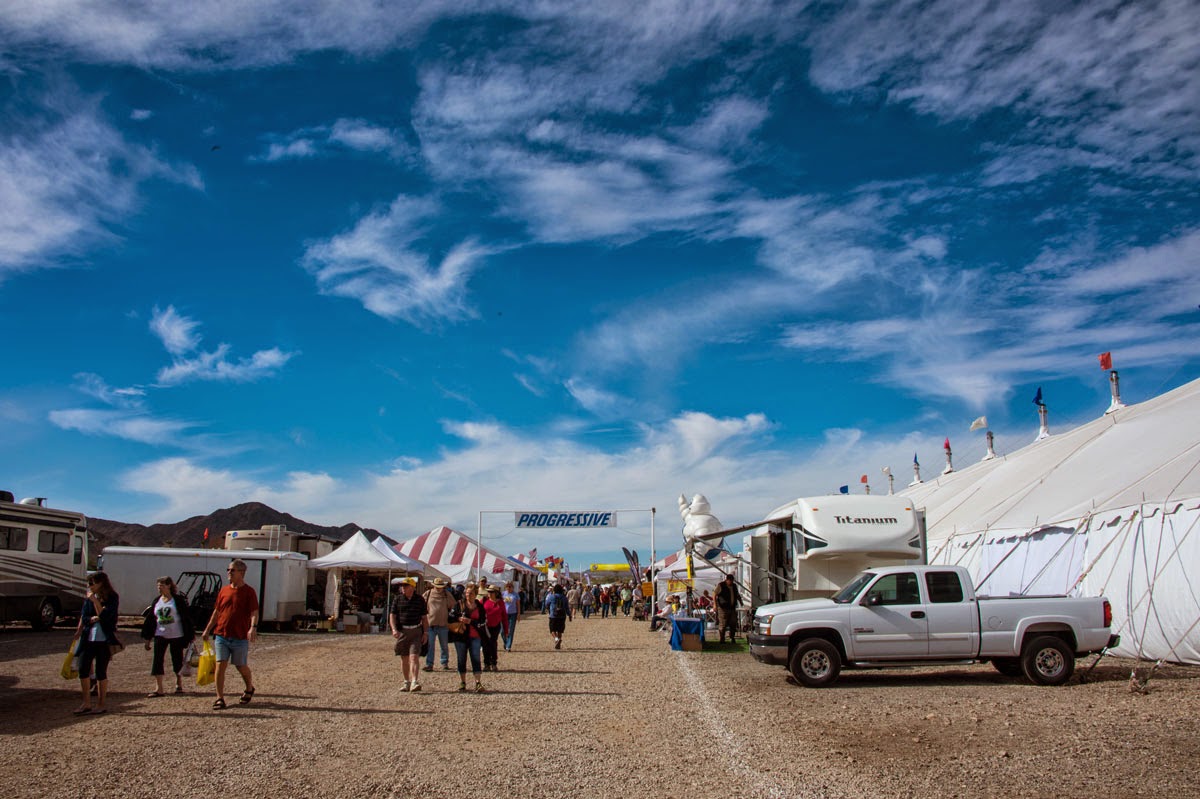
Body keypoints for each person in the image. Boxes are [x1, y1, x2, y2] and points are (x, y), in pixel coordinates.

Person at [201, 559, 259, 710]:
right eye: (228, 570)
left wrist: (252, 627)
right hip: (221, 634)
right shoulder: (224, 590)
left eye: (232, 570)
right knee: (220, 664)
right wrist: (207, 629)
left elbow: (254, 611)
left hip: (239, 636)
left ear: (241, 573)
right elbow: (217, 612)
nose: (229, 572)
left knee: (241, 666)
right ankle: (219, 698)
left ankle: (249, 687)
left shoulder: (249, 591)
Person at [72, 571, 120, 715]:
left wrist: (96, 602)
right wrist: (84, 625)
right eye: (89, 583)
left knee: (101, 671)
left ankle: (101, 703)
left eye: (92, 583)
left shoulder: (112, 597)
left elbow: (106, 617)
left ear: (101, 583)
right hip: (88, 638)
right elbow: (84, 615)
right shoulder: (88, 598)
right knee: (83, 668)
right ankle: (86, 703)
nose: (90, 586)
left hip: (104, 639)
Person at [144, 576, 195, 696]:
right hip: (160, 633)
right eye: (158, 585)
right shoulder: (157, 601)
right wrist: (147, 638)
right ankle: (159, 688)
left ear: (169, 586)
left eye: (162, 585)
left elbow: (186, 618)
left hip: (176, 634)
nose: (159, 588)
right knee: (157, 660)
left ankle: (179, 683)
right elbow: (151, 619)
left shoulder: (177, 600)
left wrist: (190, 635)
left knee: (177, 659)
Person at [389, 577, 429, 692]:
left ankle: (415, 681)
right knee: (404, 657)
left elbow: (424, 618)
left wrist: (425, 632)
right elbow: (392, 615)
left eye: (405, 586)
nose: (403, 588)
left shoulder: (420, 600)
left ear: (412, 587)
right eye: (402, 586)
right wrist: (394, 629)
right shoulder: (398, 599)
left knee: (414, 656)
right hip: (403, 631)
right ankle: (406, 681)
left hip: (416, 631)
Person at [450, 585, 487, 692]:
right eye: (466, 592)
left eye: (470, 593)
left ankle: (478, 682)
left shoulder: (479, 606)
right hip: (460, 636)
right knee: (461, 659)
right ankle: (462, 681)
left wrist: (471, 621)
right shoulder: (459, 604)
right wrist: (458, 618)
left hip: (475, 636)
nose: (468, 595)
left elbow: (483, 622)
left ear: (475, 594)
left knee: (476, 658)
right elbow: (450, 617)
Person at [422, 577, 453, 672]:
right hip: (430, 624)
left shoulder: (446, 594)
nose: (439, 588)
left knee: (444, 645)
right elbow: (421, 605)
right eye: (437, 586)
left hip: (443, 624)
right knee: (430, 645)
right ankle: (429, 664)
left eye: (441, 586)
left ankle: (444, 663)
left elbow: (453, 605)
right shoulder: (428, 594)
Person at [481, 586, 509, 671]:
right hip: (485, 626)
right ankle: (486, 663)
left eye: (492, 592)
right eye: (488, 591)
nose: (489, 593)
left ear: (496, 593)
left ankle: (493, 663)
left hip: (496, 626)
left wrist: (506, 630)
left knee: (493, 644)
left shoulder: (500, 603)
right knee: (485, 645)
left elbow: (504, 616)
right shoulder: (484, 601)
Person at [714, 572, 742, 643]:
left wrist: (741, 602)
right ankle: (722, 638)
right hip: (723, 608)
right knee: (723, 624)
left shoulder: (734, 586)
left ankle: (732, 637)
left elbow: (737, 595)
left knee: (733, 623)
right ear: (727, 580)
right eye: (730, 581)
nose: (731, 582)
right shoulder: (721, 585)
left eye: (732, 581)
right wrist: (715, 605)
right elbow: (714, 594)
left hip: (732, 608)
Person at [546, 583, 571, 649]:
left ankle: (556, 639)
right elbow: (567, 607)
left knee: (552, 630)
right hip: (562, 616)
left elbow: (547, 604)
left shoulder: (551, 596)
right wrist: (569, 615)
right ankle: (558, 643)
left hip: (553, 615)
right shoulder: (564, 597)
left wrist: (549, 609)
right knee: (560, 630)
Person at [501, 581, 520, 652]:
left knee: (510, 630)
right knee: (502, 631)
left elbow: (518, 604)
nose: (509, 588)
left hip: (513, 614)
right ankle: (505, 642)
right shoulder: (503, 594)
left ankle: (508, 646)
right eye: (507, 586)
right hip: (504, 614)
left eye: (510, 586)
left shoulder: (515, 595)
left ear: (512, 587)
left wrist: (518, 614)